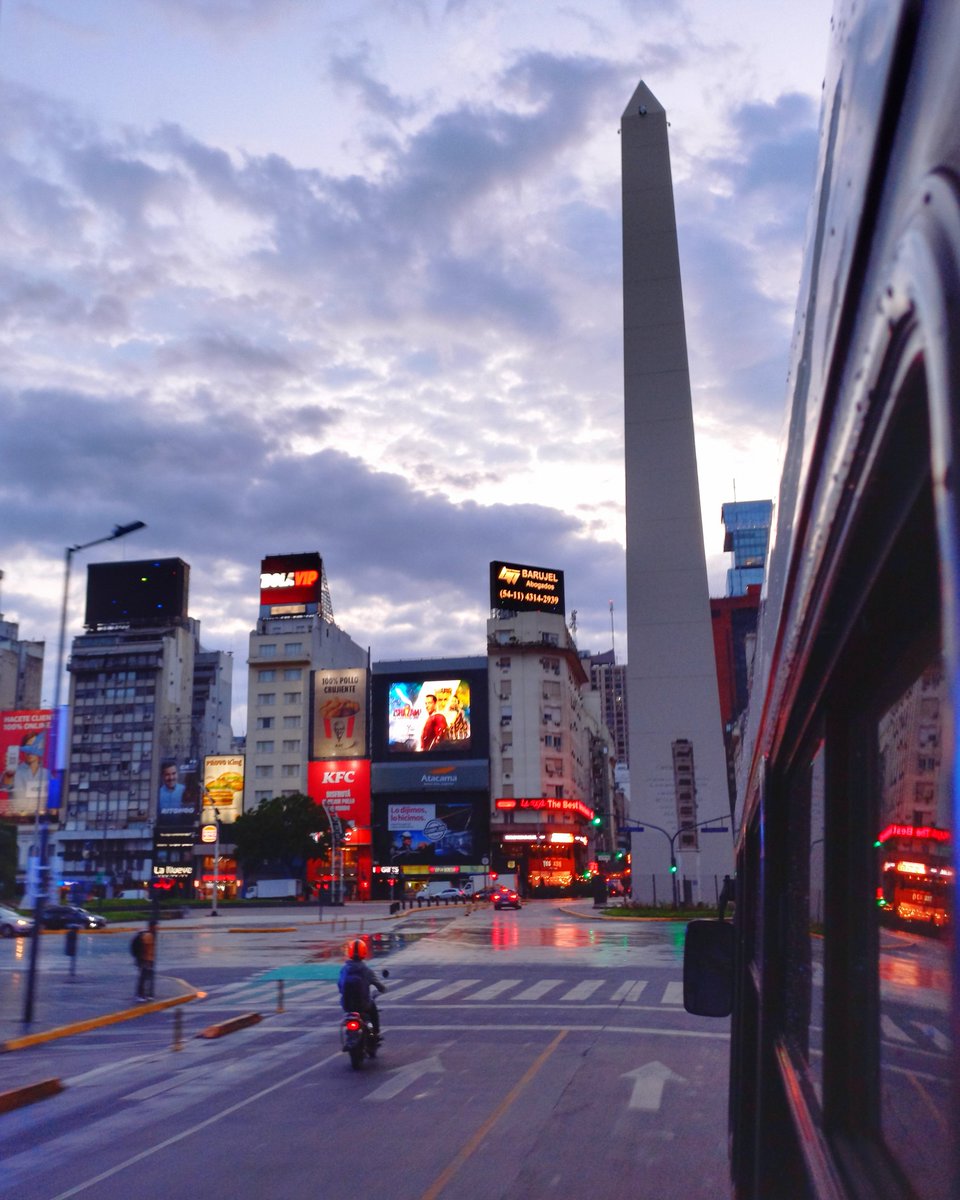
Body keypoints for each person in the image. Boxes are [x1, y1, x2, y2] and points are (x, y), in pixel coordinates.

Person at [338, 938, 387, 1041]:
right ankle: (376, 1033)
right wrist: (382, 989)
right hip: (363, 1004)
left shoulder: (344, 969)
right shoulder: (366, 970)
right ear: (364, 952)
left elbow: (340, 985)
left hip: (347, 1005)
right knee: (373, 1010)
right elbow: (378, 985)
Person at [133, 921, 156, 1001]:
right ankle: (141, 995)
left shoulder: (149, 935)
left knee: (146, 978)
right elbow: (145, 949)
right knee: (143, 978)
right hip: (145, 960)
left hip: (147, 960)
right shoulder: (148, 935)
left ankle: (145, 994)